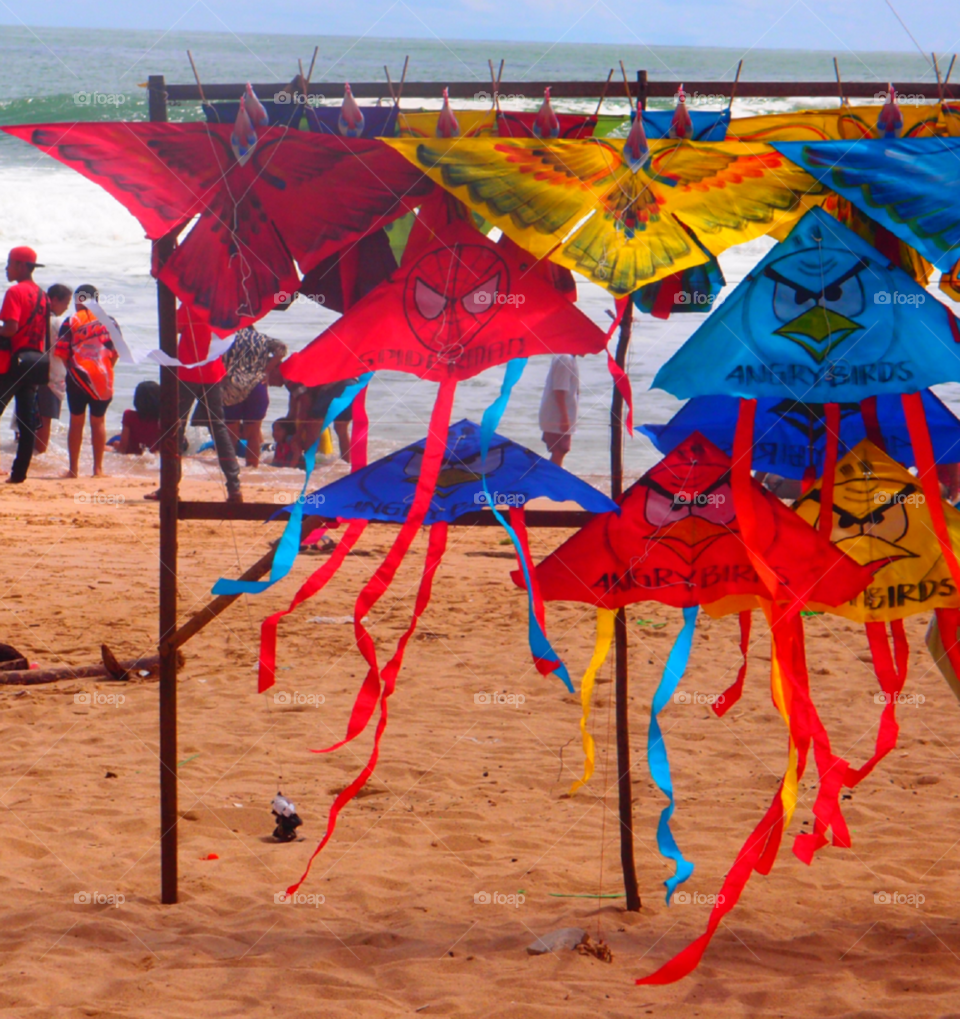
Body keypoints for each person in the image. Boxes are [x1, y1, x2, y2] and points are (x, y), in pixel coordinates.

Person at [161, 301, 241, 503]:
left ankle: (170, 485)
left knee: (176, 426)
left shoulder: (191, 305)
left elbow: (174, 327)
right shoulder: (221, 307)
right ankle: (234, 486)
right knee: (219, 428)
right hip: (212, 372)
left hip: (188, 370)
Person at [55, 284, 119, 478]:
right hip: (103, 377)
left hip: (78, 377)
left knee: (76, 421)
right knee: (98, 422)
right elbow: (115, 353)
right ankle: (98, 470)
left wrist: (72, 371)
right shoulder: (110, 322)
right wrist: (106, 369)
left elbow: (63, 353)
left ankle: (73, 469)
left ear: (78, 301)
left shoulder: (71, 321)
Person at [0, 246, 50, 483]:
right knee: (27, 421)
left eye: (9, 263)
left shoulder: (15, 292)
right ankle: (19, 473)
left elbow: (11, 328)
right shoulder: (43, 295)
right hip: (34, 363)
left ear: (20, 265)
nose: (6, 268)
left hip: (11, 364)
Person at [220, 327, 287, 467]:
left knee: (230, 433)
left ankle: (230, 469)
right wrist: (267, 370)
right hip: (257, 384)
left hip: (232, 385)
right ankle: (252, 469)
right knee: (254, 433)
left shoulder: (226, 337)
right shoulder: (263, 338)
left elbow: (213, 356)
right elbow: (282, 348)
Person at [34, 283, 72, 456]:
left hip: (31, 372)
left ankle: (24, 452)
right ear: (55, 300)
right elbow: (63, 350)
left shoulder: (35, 317)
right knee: (45, 419)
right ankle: (39, 457)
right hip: (50, 375)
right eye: (66, 302)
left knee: (28, 417)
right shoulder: (57, 322)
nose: (67, 307)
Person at [539, 354, 579, 467]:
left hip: (558, 414)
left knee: (561, 450)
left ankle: (553, 478)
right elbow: (559, 390)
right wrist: (564, 418)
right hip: (557, 415)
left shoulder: (568, 358)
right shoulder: (565, 359)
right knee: (559, 450)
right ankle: (552, 479)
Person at [113, 380, 161, 455]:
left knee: (114, 440)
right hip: (151, 450)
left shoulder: (129, 415)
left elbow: (123, 448)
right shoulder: (161, 419)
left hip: (133, 450)